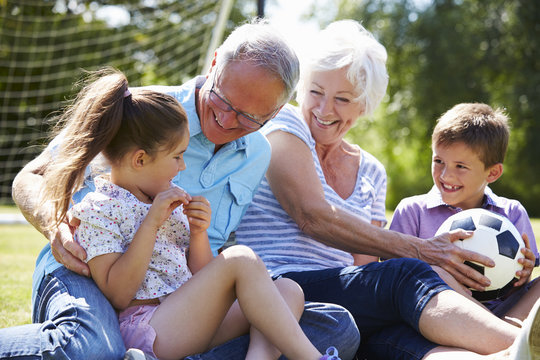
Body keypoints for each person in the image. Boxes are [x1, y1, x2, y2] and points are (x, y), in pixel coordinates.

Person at [1, 20, 358, 360]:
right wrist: (55, 225)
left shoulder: (257, 154)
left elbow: (203, 265)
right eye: (224, 102)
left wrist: (199, 234)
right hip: (87, 271)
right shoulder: (142, 112)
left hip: (181, 298)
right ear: (215, 62)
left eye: (251, 118)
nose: (228, 120)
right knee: (92, 349)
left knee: (332, 322)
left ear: (277, 111)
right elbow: (29, 178)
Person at [234, 19, 540, 359]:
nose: (324, 109)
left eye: (343, 99)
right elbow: (312, 216)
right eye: (315, 92)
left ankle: (501, 355)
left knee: (402, 338)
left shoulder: (371, 171)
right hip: (279, 285)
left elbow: (365, 269)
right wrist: (423, 250)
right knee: (407, 274)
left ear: (364, 104)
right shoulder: (285, 125)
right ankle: (519, 346)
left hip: (344, 296)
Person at [389, 102, 540, 324]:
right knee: (436, 273)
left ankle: (508, 331)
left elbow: (521, 284)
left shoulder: (512, 212)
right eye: (438, 161)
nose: (446, 175)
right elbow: (395, 277)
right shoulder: (413, 211)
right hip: (443, 313)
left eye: (460, 166)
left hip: (504, 312)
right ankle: (499, 334)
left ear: (493, 172)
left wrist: (523, 273)